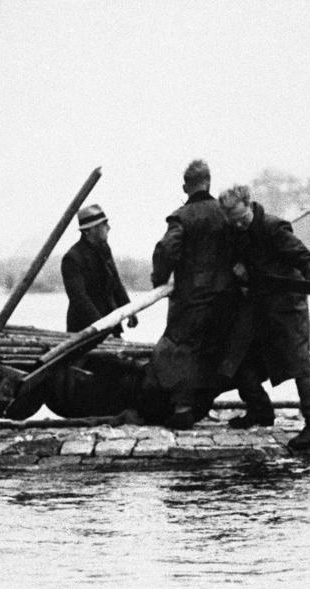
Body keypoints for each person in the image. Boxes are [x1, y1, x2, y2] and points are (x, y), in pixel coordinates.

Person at [217, 185, 310, 450]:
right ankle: (260, 411)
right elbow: (233, 255)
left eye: (242, 219)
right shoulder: (235, 231)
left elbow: (306, 258)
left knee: (299, 365)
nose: (239, 225)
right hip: (258, 305)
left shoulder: (274, 228)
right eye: (233, 221)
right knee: (239, 357)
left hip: (288, 307)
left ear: (249, 204)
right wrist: (238, 267)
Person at [148, 160, 237, 429]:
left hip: (191, 299)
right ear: (209, 182)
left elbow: (166, 250)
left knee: (179, 349)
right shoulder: (226, 214)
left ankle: (184, 407)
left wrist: (159, 278)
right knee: (221, 348)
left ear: (185, 186)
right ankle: (244, 403)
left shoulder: (181, 217)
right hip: (226, 297)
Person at [61, 203, 137, 335]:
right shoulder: (72, 258)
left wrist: (130, 311)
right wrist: (101, 326)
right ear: (89, 230)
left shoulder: (105, 249)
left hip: (109, 323)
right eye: (104, 225)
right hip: (84, 329)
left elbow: (116, 284)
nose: (109, 228)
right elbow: (79, 298)